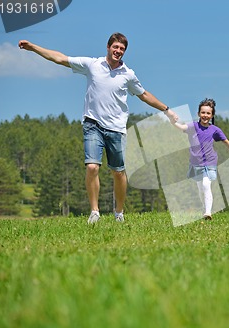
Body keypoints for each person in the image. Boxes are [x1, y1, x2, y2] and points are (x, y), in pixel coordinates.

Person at [18, 32, 178, 224]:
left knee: (118, 172)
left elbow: (144, 95)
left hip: (117, 128)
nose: (118, 51)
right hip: (92, 124)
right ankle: (94, 212)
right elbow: (59, 58)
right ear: (108, 47)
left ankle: (119, 212)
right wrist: (33, 47)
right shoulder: (92, 65)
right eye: (115, 47)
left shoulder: (128, 74)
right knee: (92, 167)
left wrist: (166, 110)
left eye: (122, 49)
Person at [169, 98, 229, 220]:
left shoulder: (215, 130)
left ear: (212, 115)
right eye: (203, 112)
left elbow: (226, 142)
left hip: (210, 162)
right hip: (196, 163)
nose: (205, 115)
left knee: (206, 184)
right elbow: (181, 127)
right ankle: (204, 208)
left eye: (208, 113)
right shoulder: (193, 126)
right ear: (198, 114)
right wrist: (173, 122)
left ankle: (208, 213)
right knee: (200, 188)